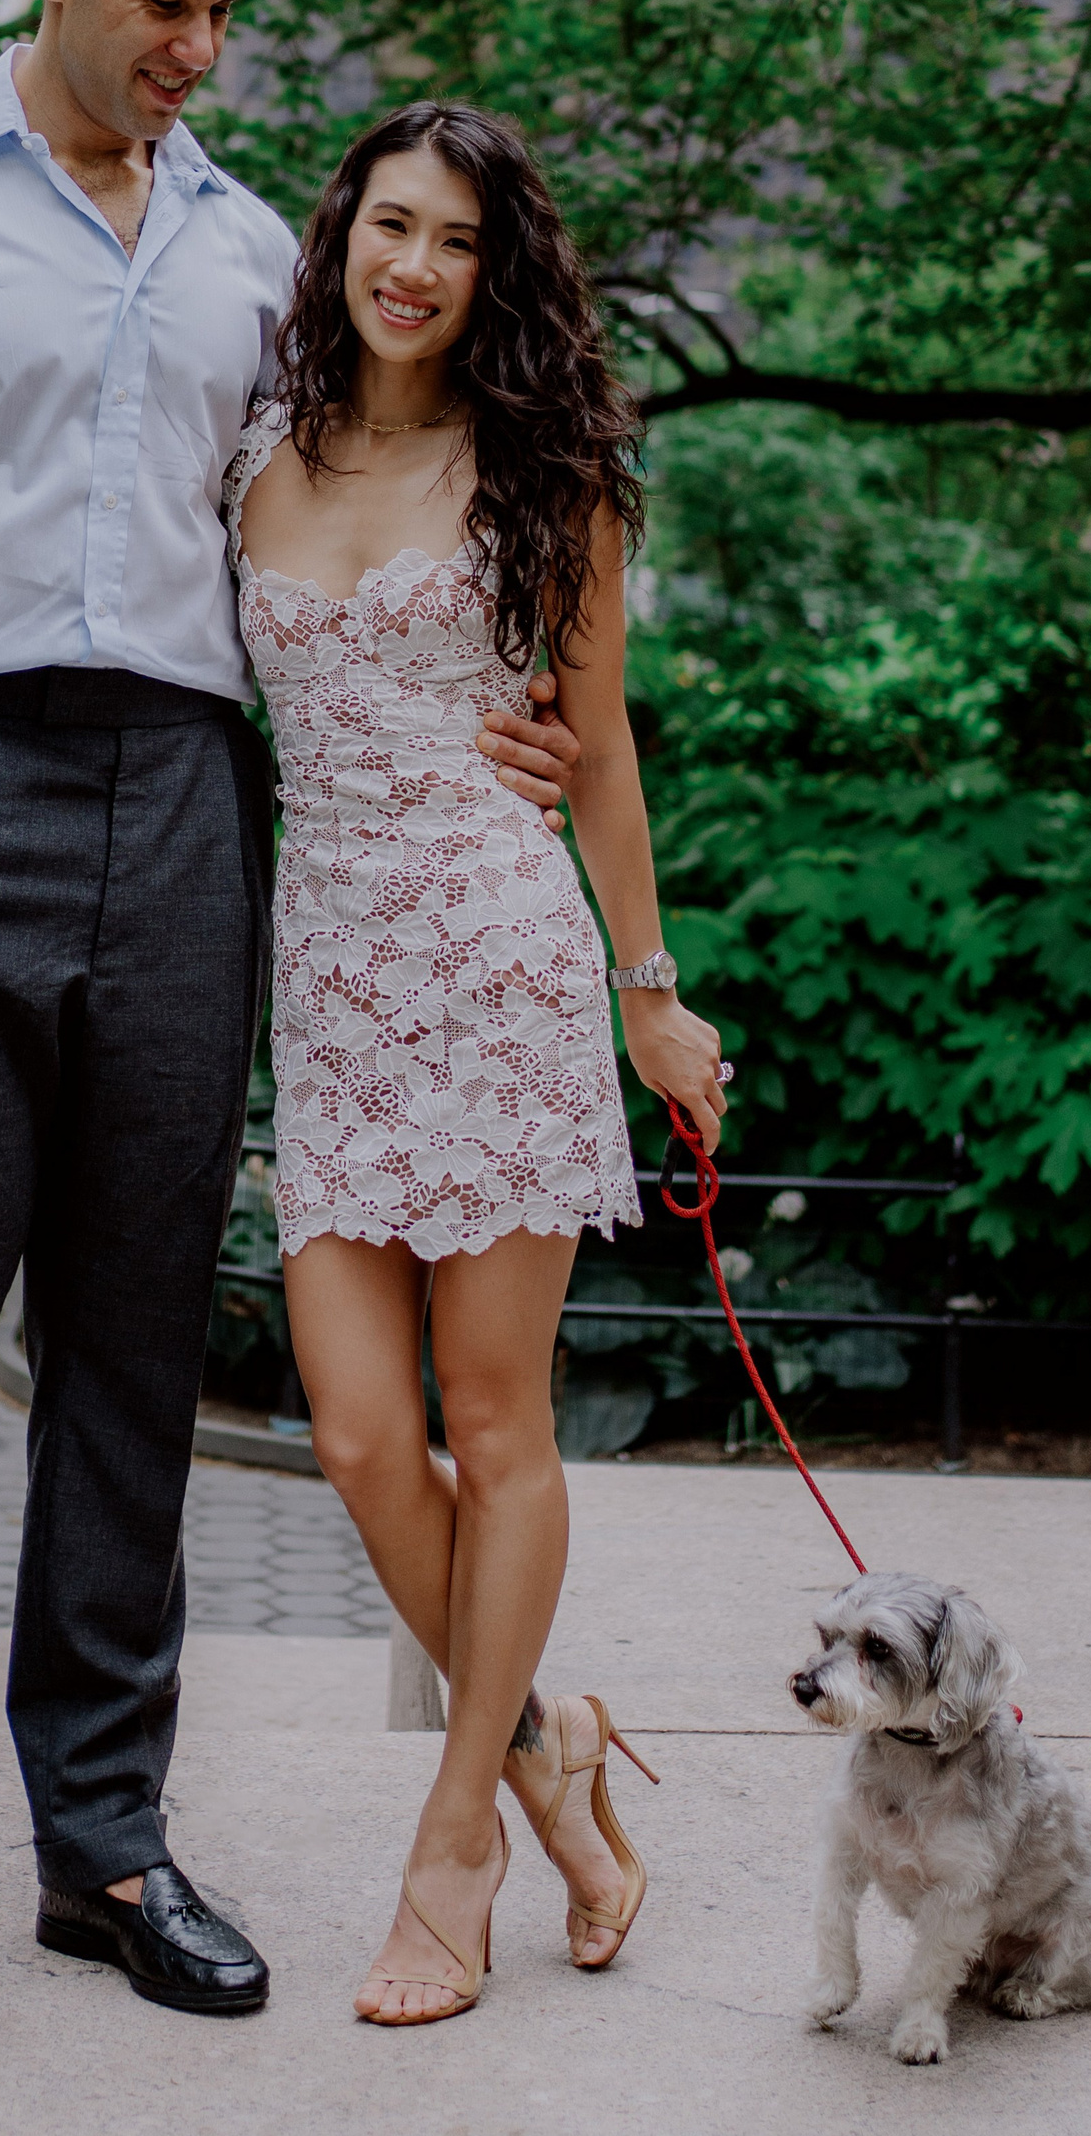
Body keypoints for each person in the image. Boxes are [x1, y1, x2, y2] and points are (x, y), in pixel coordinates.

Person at [0, 0, 580, 2067]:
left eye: (223, 9)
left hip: (187, 814)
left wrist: (517, 714)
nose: (197, 45)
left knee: (130, 1363)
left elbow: (385, 480)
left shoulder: (247, 256)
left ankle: (101, 1836)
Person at [228, 102, 729, 2025]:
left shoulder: (548, 470)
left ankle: (458, 1844)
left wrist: (650, 990)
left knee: (494, 1427)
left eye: (453, 242)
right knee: (359, 1436)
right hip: (333, 985)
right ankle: (555, 1747)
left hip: (503, 971)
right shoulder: (255, 459)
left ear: (493, 271)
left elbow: (596, 750)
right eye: (389, 226)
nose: (414, 266)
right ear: (341, 235)